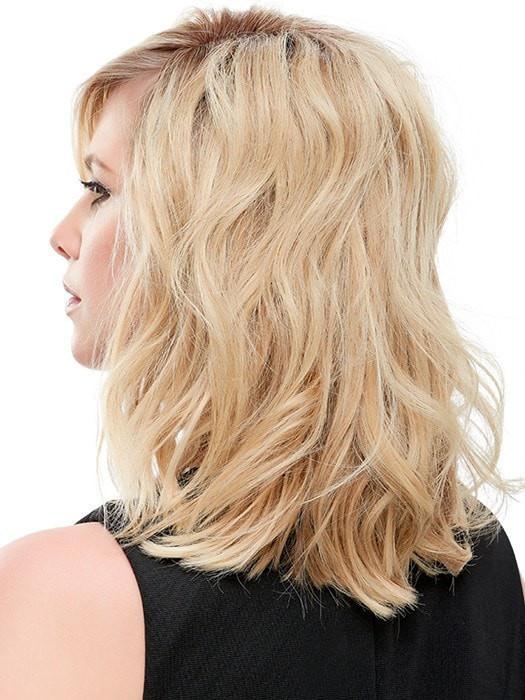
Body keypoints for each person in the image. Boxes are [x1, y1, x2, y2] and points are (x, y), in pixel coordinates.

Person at [1, 6, 524, 698]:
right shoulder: (475, 560)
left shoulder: (70, 594)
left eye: (99, 190)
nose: (61, 234)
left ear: (220, 241)